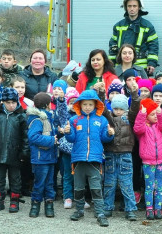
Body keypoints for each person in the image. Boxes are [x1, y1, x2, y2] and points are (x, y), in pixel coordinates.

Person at [65, 89, 114, 227]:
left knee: (96, 188)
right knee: (78, 188)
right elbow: (71, 139)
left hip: (95, 160)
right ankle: (79, 210)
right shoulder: (73, 120)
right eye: (84, 104)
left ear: (96, 105)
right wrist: (68, 133)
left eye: (90, 105)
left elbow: (105, 138)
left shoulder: (102, 120)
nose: (87, 107)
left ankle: (100, 213)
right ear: (79, 105)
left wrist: (110, 134)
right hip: (78, 159)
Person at [0, 87, 28, 213]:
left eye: (13, 102)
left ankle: (14, 200)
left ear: (17, 102)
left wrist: (24, 152)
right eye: (8, 102)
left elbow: (25, 137)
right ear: (3, 102)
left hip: (15, 153)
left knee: (15, 178)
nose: (11, 105)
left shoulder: (21, 116)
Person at [103, 94, 138, 221]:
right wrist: (101, 93)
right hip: (110, 154)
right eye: (115, 108)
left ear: (125, 109)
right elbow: (103, 108)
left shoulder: (130, 118)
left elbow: (135, 108)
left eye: (121, 109)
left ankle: (130, 209)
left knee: (126, 183)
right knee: (109, 182)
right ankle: (107, 207)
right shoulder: (108, 118)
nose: (118, 111)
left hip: (125, 154)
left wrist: (134, 94)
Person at [133, 98, 162, 220]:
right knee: (149, 187)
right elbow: (137, 128)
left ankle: (158, 208)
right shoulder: (143, 128)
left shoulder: (159, 126)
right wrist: (142, 114)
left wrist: (160, 112)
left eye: (155, 114)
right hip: (148, 162)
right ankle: (149, 209)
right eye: (152, 114)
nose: (155, 116)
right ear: (147, 116)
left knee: (159, 186)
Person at [108, 0, 159, 75]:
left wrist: (152, 63)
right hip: (121, 66)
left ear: (139, 7)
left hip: (140, 67)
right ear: (126, 8)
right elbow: (113, 47)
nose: (132, 9)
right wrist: (111, 64)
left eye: (134, 6)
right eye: (129, 6)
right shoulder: (118, 26)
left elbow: (153, 46)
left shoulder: (147, 26)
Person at [27, 92, 58, 218]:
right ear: (47, 105)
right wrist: (52, 140)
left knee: (50, 183)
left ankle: (49, 205)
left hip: (50, 157)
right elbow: (33, 137)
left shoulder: (48, 118)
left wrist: (60, 133)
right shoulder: (37, 119)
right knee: (39, 183)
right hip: (40, 158)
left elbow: (52, 133)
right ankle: (35, 205)